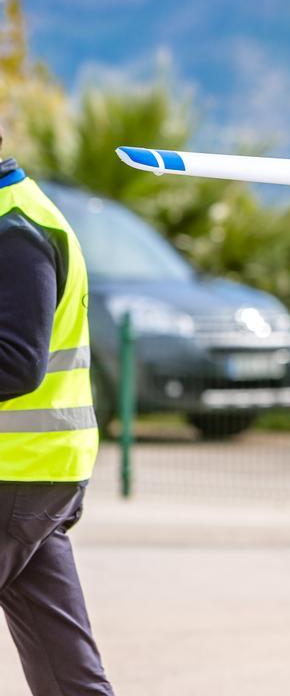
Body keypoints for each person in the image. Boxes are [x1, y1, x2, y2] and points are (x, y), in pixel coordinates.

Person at [0, 126, 115, 695]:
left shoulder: (15, 229)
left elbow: (16, 362)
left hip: (16, 472)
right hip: (32, 475)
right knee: (65, 670)